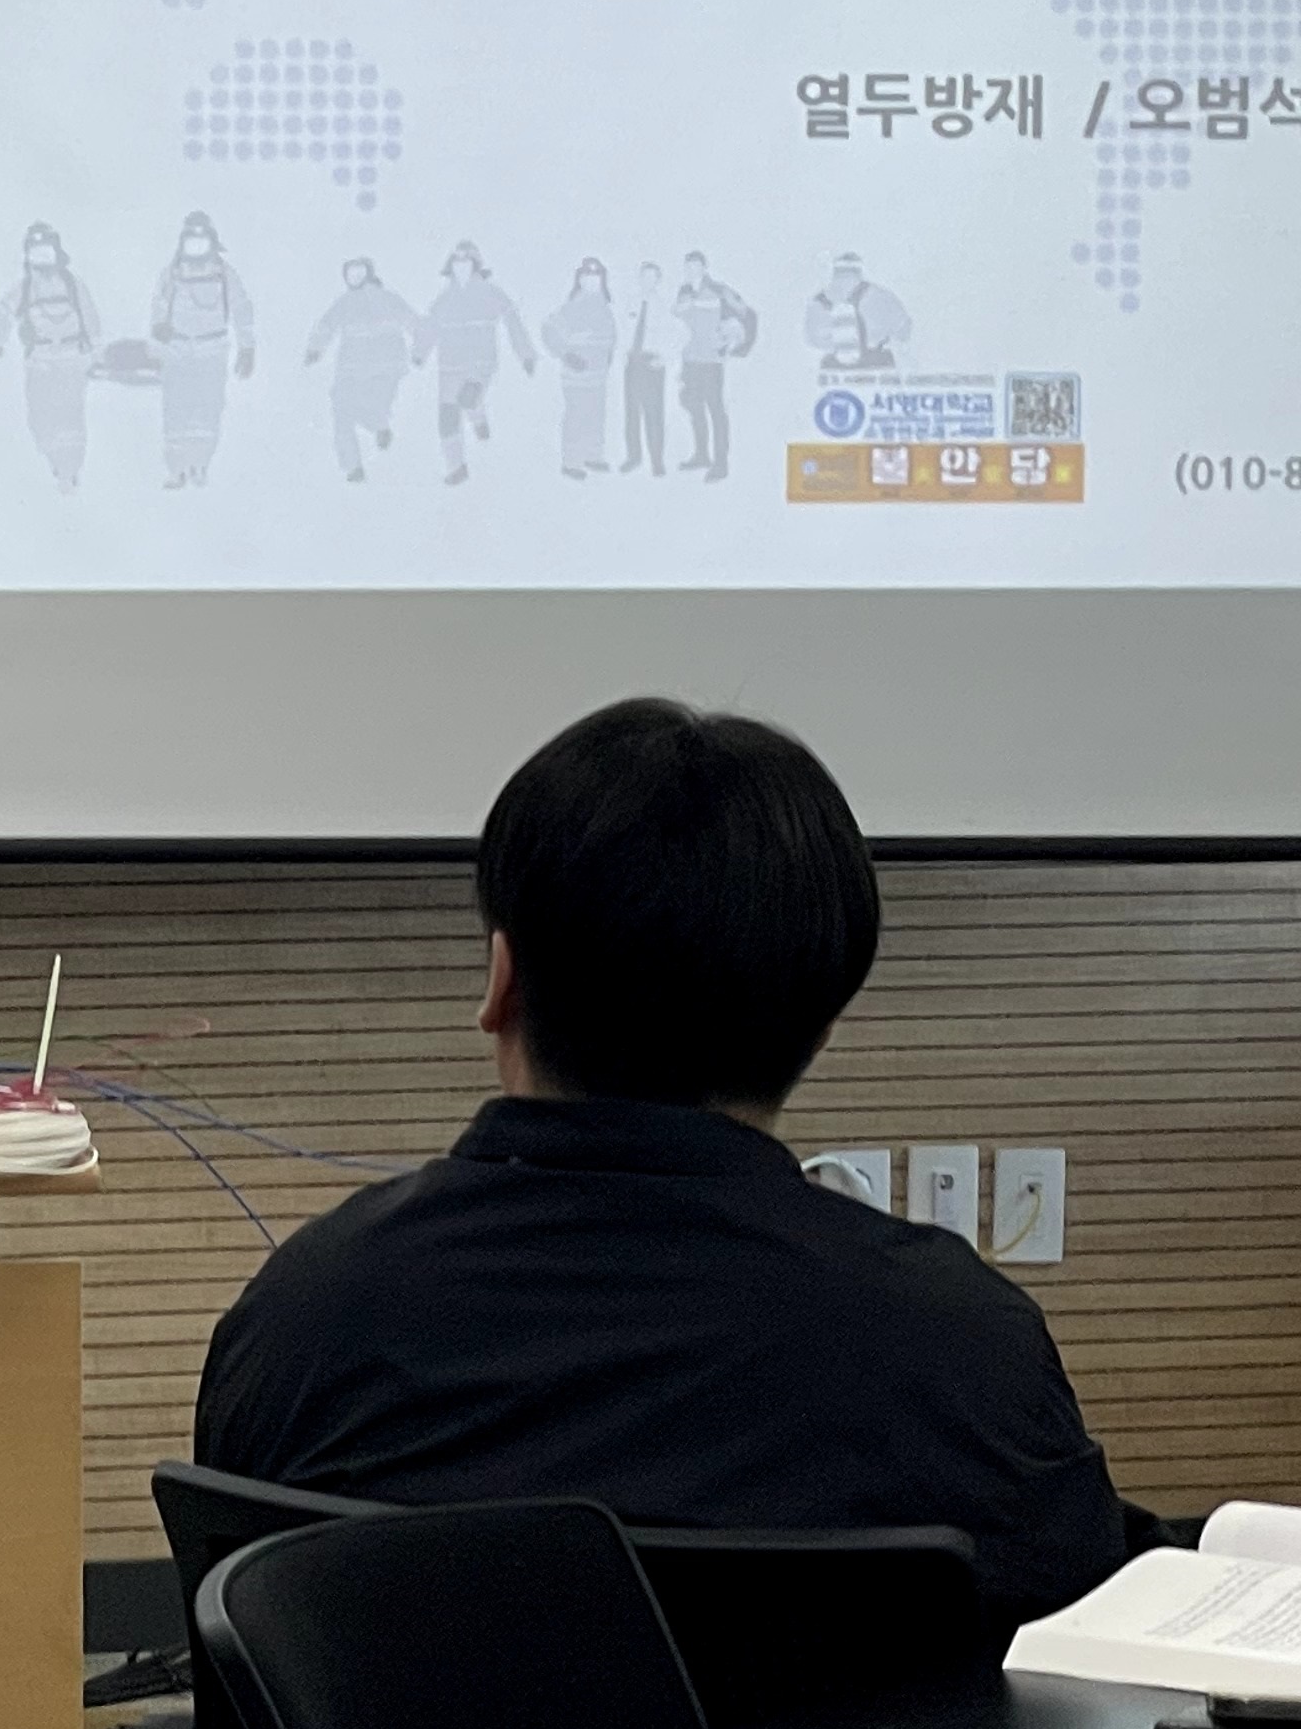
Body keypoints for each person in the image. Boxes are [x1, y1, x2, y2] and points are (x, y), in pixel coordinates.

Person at [197, 698, 1138, 1633]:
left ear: (501, 981)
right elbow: (1095, 1669)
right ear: (822, 1024)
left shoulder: (307, 1321)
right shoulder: (965, 1353)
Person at [0, 221, 101, 492]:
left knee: (70, 414)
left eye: (46, 251)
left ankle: (70, 468)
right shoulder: (24, 289)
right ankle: (52, 457)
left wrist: (97, 354)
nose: (42, 258)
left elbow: (90, 318)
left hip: (71, 358)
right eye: (36, 252)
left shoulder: (72, 285)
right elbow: (3, 312)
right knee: (40, 416)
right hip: (40, 361)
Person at [150, 212, 255, 489]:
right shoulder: (172, 273)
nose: (196, 246)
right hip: (178, 350)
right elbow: (159, 303)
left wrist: (247, 347)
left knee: (208, 407)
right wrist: (158, 330)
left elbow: (241, 308)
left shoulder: (224, 274)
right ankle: (176, 468)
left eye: (202, 240)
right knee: (176, 409)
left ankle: (200, 463)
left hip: (212, 351)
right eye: (191, 240)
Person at [303, 255, 426, 483]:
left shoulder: (377, 301)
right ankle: (361, 453)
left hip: (373, 370)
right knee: (350, 410)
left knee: (355, 410)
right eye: (351, 274)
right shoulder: (354, 303)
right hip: (366, 370)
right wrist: (315, 349)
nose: (356, 278)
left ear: (369, 273)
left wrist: (420, 352)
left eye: (359, 273)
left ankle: (370, 441)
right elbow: (326, 326)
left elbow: (415, 324)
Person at [424, 241, 536, 485]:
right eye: (456, 262)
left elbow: (513, 323)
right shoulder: (444, 299)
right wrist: (419, 352)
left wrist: (526, 354)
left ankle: (478, 418)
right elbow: (429, 328)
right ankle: (456, 467)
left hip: (480, 363)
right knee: (447, 416)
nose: (461, 267)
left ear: (475, 265)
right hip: (449, 366)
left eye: (466, 262)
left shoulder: (491, 293)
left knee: (468, 397)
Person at [673, 251, 758, 479]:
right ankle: (701, 455)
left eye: (696, 266)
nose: (691, 271)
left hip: (711, 362)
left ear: (704, 268)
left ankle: (721, 464)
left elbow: (747, 314)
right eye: (688, 267)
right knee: (694, 406)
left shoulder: (720, 291)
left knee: (715, 410)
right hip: (690, 361)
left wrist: (734, 345)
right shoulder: (683, 292)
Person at [544, 258, 617, 479]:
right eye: (587, 277)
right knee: (576, 416)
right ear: (580, 280)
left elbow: (610, 339)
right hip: (576, 376)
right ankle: (571, 461)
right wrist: (566, 355)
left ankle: (592, 455)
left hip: (598, 377)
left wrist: (607, 359)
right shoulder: (570, 309)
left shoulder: (605, 309)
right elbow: (548, 332)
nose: (592, 281)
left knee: (595, 415)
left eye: (596, 277)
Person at [806, 252, 913, 372]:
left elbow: (812, 340)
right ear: (859, 270)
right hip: (877, 365)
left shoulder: (818, 301)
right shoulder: (881, 295)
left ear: (835, 270)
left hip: (835, 369)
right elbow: (904, 331)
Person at [619, 260, 670, 479]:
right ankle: (633, 457)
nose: (648, 281)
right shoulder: (631, 303)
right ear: (640, 279)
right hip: (633, 363)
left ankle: (657, 461)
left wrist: (664, 357)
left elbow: (672, 335)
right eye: (644, 277)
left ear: (658, 281)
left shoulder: (664, 306)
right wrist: (624, 354)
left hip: (652, 364)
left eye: (652, 277)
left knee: (654, 413)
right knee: (632, 412)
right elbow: (623, 330)